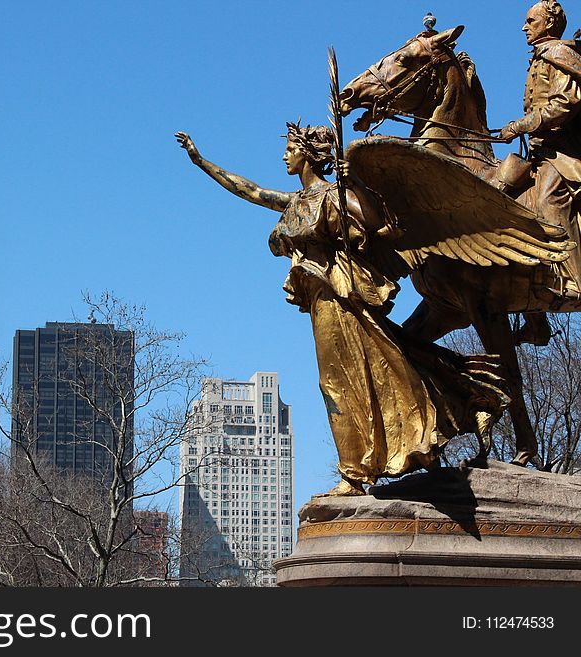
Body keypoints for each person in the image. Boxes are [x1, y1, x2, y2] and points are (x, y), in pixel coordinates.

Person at [175, 125, 508, 495]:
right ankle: (442, 415)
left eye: (289, 149)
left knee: (343, 381)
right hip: (320, 301)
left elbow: (380, 226)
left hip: (341, 299)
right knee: (376, 371)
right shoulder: (297, 201)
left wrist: (358, 187)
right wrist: (201, 160)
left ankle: (356, 473)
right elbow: (250, 191)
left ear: (308, 155)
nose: (284, 156)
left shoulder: (335, 196)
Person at [500, 0, 581, 349]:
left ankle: (572, 280)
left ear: (548, 23)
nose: (524, 27)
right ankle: (535, 318)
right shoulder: (540, 56)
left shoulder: (559, 53)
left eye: (530, 20)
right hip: (541, 152)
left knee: (549, 196)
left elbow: (566, 103)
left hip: (567, 153)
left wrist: (523, 124)